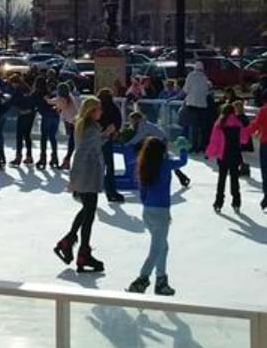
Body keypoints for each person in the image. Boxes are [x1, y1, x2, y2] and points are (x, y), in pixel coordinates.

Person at [54, 98, 114, 273]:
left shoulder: (87, 127)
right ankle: (82, 252)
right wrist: (74, 180)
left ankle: (70, 242)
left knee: (87, 211)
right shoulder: (89, 129)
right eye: (98, 109)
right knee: (89, 214)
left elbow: (93, 145)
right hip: (87, 175)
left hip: (88, 174)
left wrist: (105, 134)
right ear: (91, 111)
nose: (101, 112)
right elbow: (81, 154)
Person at [127, 136, 188, 296]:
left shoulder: (144, 166)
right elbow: (182, 162)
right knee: (157, 249)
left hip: (148, 211)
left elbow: (142, 192)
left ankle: (161, 280)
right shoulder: (165, 165)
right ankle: (142, 279)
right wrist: (182, 148)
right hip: (161, 212)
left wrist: (148, 204)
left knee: (163, 247)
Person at [127, 110, 191, 187]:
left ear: (137, 119)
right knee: (165, 161)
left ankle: (180, 176)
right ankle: (181, 176)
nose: (131, 122)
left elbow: (139, 136)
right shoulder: (140, 125)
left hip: (161, 142)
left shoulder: (144, 125)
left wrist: (128, 143)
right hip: (156, 142)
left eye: (132, 120)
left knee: (164, 161)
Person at [207, 102, 245, 213]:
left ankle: (219, 202)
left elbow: (214, 141)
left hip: (223, 155)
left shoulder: (219, 123)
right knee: (235, 178)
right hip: (235, 154)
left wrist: (209, 153)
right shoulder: (238, 123)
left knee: (222, 179)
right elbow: (244, 139)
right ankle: (236, 201)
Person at [98, 89, 126, 202]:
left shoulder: (97, 107)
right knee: (109, 166)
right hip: (106, 140)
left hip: (95, 140)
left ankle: (87, 190)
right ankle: (111, 191)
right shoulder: (113, 108)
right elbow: (118, 122)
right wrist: (114, 132)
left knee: (96, 167)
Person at [182, 62, 212, 153]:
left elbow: (185, 89)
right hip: (203, 106)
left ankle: (194, 145)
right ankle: (202, 145)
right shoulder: (204, 78)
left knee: (194, 127)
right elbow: (207, 92)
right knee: (202, 127)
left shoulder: (191, 76)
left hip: (192, 105)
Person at [9, 76, 38, 167]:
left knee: (19, 136)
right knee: (27, 135)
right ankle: (29, 156)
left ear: (15, 83)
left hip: (23, 114)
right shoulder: (27, 88)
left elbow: (13, 101)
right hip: (31, 114)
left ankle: (18, 156)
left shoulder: (18, 90)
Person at [36, 78, 62, 169]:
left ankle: (43, 157)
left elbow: (38, 105)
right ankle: (54, 157)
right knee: (52, 137)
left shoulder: (41, 94)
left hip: (46, 116)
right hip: (55, 116)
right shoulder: (54, 93)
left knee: (44, 137)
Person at [54, 83, 79, 170]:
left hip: (75, 123)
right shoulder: (69, 97)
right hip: (74, 122)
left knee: (73, 143)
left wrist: (46, 100)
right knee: (72, 143)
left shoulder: (64, 99)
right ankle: (67, 161)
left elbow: (56, 103)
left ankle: (68, 161)